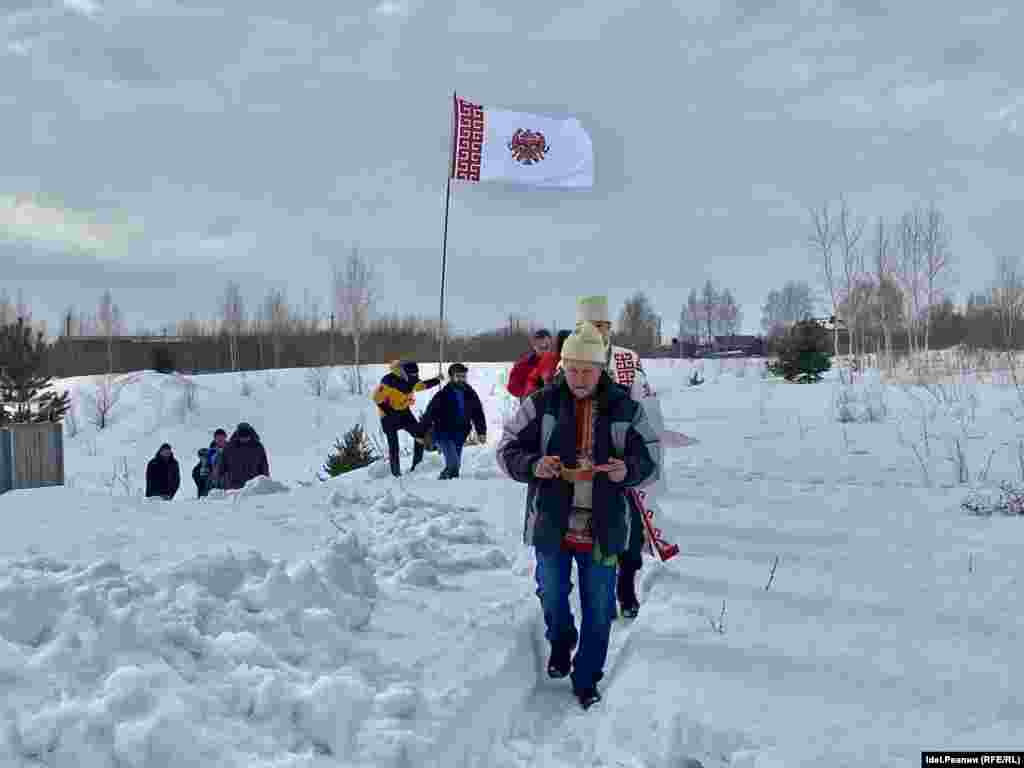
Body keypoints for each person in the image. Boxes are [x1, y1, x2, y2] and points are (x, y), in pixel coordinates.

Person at [497, 322, 661, 710]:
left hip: (603, 527)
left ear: (600, 369)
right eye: (572, 369)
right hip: (551, 522)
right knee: (552, 594)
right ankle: (561, 640)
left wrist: (628, 471)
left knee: (600, 606)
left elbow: (651, 458)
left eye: (587, 370)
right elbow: (506, 449)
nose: (580, 378)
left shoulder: (626, 408)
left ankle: (587, 677)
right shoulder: (541, 403)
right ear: (563, 366)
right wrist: (534, 465)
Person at [575, 295, 658, 618]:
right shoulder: (567, 359)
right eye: (593, 326)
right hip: (583, 463)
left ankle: (626, 588)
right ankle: (601, 595)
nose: (600, 331)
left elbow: (647, 406)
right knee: (591, 534)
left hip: (625, 461)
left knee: (631, 531)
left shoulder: (626, 359)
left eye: (605, 326)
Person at [372, 360, 443, 477]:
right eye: (412, 375)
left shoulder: (412, 379)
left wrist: (437, 380)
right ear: (404, 373)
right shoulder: (388, 381)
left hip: (404, 412)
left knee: (419, 435)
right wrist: (390, 412)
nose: (415, 378)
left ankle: (416, 467)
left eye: (416, 375)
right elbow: (376, 398)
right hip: (387, 415)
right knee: (394, 445)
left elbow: (421, 386)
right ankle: (396, 473)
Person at [420, 363, 488, 479]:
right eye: (458, 376)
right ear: (451, 377)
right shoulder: (443, 394)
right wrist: (422, 432)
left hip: (460, 434)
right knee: (453, 464)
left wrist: (481, 432)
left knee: (456, 467)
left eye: (463, 376)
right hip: (443, 434)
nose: (462, 379)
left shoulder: (470, 394)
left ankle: (450, 489)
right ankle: (442, 483)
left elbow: (478, 413)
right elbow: (430, 413)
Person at [219, 422, 270, 490]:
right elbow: (222, 467)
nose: (244, 439)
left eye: (246, 436)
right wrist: (222, 482)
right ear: (237, 435)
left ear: (251, 435)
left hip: (252, 489)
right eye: (242, 436)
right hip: (233, 489)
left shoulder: (258, 447)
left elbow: (264, 467)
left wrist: (264, 483)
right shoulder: (229, 448)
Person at [507, 329, 552, 402]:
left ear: (550, 345)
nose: (543, 349)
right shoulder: (523, 364)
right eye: (540, 347)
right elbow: (512, 387)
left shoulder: (557, 363)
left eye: (546, 346)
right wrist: (529, 391)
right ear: (534, 346)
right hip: (530, 405)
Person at [192, 428, 228, 498]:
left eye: (222, 437)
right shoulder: (210, 452)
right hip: (211, 484)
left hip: (226, 484)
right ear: (214, 439)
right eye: (217, 437)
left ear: (225, 438)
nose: (220, 439)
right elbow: (198, 470)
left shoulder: (230, 450)